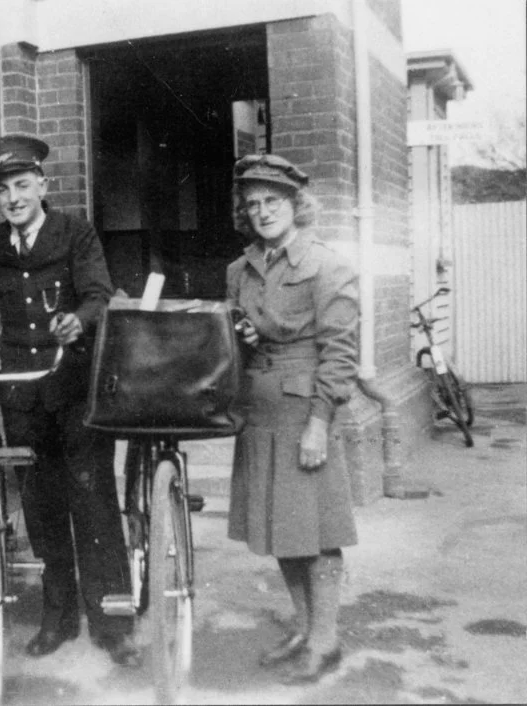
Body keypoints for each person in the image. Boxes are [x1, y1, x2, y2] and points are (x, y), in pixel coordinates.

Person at [0, 135, 140, 667]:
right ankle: (57, 618)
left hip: (75, 385)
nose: (13, 198)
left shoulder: (75, 233)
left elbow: (99, 294)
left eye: (22, 185)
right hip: (20, 392)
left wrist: (78, 320)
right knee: (41, 504)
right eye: (3, 190)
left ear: (42, 186)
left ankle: (113, 622)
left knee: (93, 498)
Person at [226, 153, 360, 683]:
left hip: (306, 413)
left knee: (318, 534)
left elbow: (340, 353)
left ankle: (325, 642)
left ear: (296, 205)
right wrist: (246, 335)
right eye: (252, 204)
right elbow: (241, 329)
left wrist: (320, 424)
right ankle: (304, 629)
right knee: (281, 529)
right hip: (259, 413)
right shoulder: (239, 269)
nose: (262, 212)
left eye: (272, 202)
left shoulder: (329, 265)